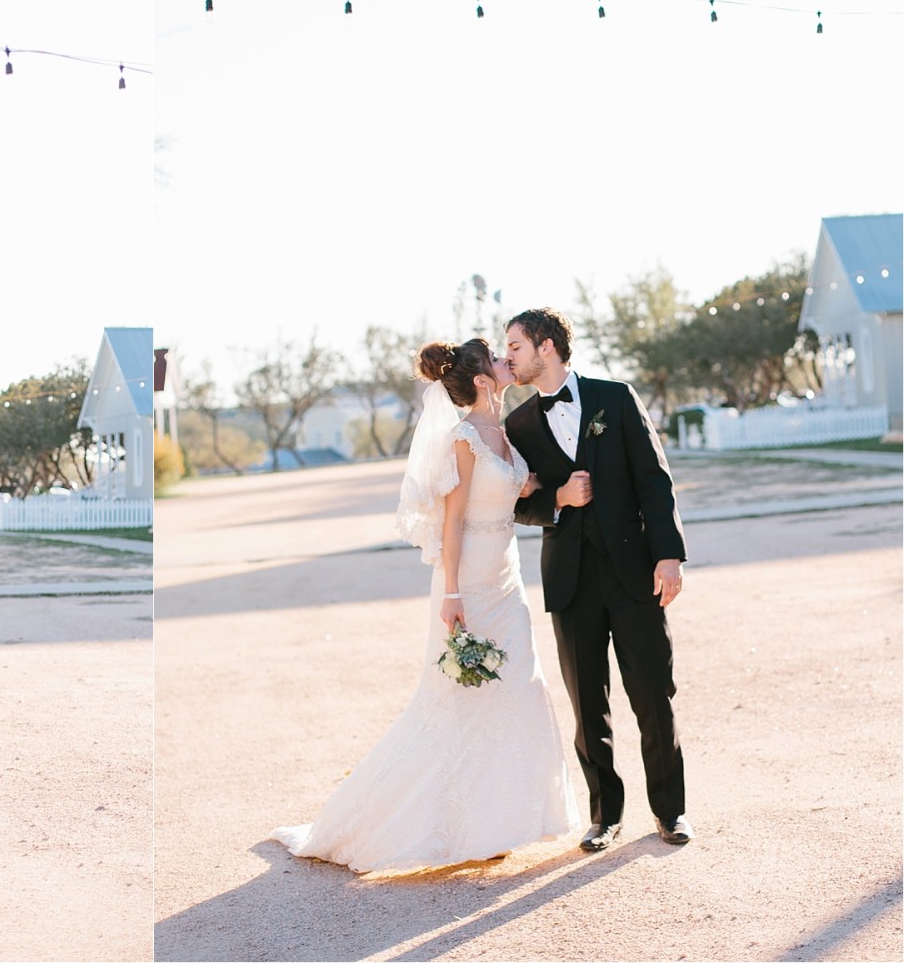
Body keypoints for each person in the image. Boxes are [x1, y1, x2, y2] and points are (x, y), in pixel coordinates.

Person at [272, 339, 578, 873]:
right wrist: (453, 592)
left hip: (508, 580)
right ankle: (405, 824)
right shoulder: (462, 438)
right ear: (483, 381)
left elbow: (516, 491)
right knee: (459, 698)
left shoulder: (505, 433)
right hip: (470, 582)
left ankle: (497, 822)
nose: (508, 362)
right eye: (498, 360)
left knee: (516, 688)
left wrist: (557, 490)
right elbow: (452, 519)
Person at [502, 307, 691, 850]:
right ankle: (605, 816)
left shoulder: (616, 397)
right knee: (589, 706)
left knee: (654, 695)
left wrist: (669, 556)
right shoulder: (517, 426)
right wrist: (556, 499)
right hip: (570, 581)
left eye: (515, 346)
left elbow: (655, 480)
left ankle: (671, 812)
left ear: (547, 346)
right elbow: (513, 503)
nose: (508, 356)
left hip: (635, 573)